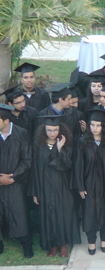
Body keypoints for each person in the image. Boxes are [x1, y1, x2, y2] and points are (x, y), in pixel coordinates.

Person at [30, 115, 80, 257]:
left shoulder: (66, 145)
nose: (52, 133)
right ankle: (53, 244)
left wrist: (59, 150)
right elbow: (34, 169)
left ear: (60, 129)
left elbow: (67, 165)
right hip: (44, 186)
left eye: (55, 130)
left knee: (63, 215)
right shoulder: (38, 146)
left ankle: (64, 244)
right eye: (49, 130)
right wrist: (35, 191)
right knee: (48, 216)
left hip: (62, 186)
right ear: (44, 130)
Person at [74, 109, 105, 255]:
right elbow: (78, 165)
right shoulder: (82, 142)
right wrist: (80, 186)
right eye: (92, 125)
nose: (94, 128)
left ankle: (104, 241)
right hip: (88, 184)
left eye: (98, 125)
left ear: (103, 126)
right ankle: (91, 242)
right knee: (89, 214)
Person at [0, 104, 33, 258]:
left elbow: (27, 160)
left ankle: (27, 245)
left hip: (16, 182)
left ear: (6, 120)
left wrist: (12, 177)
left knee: (20, 214)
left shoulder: (21, 133)